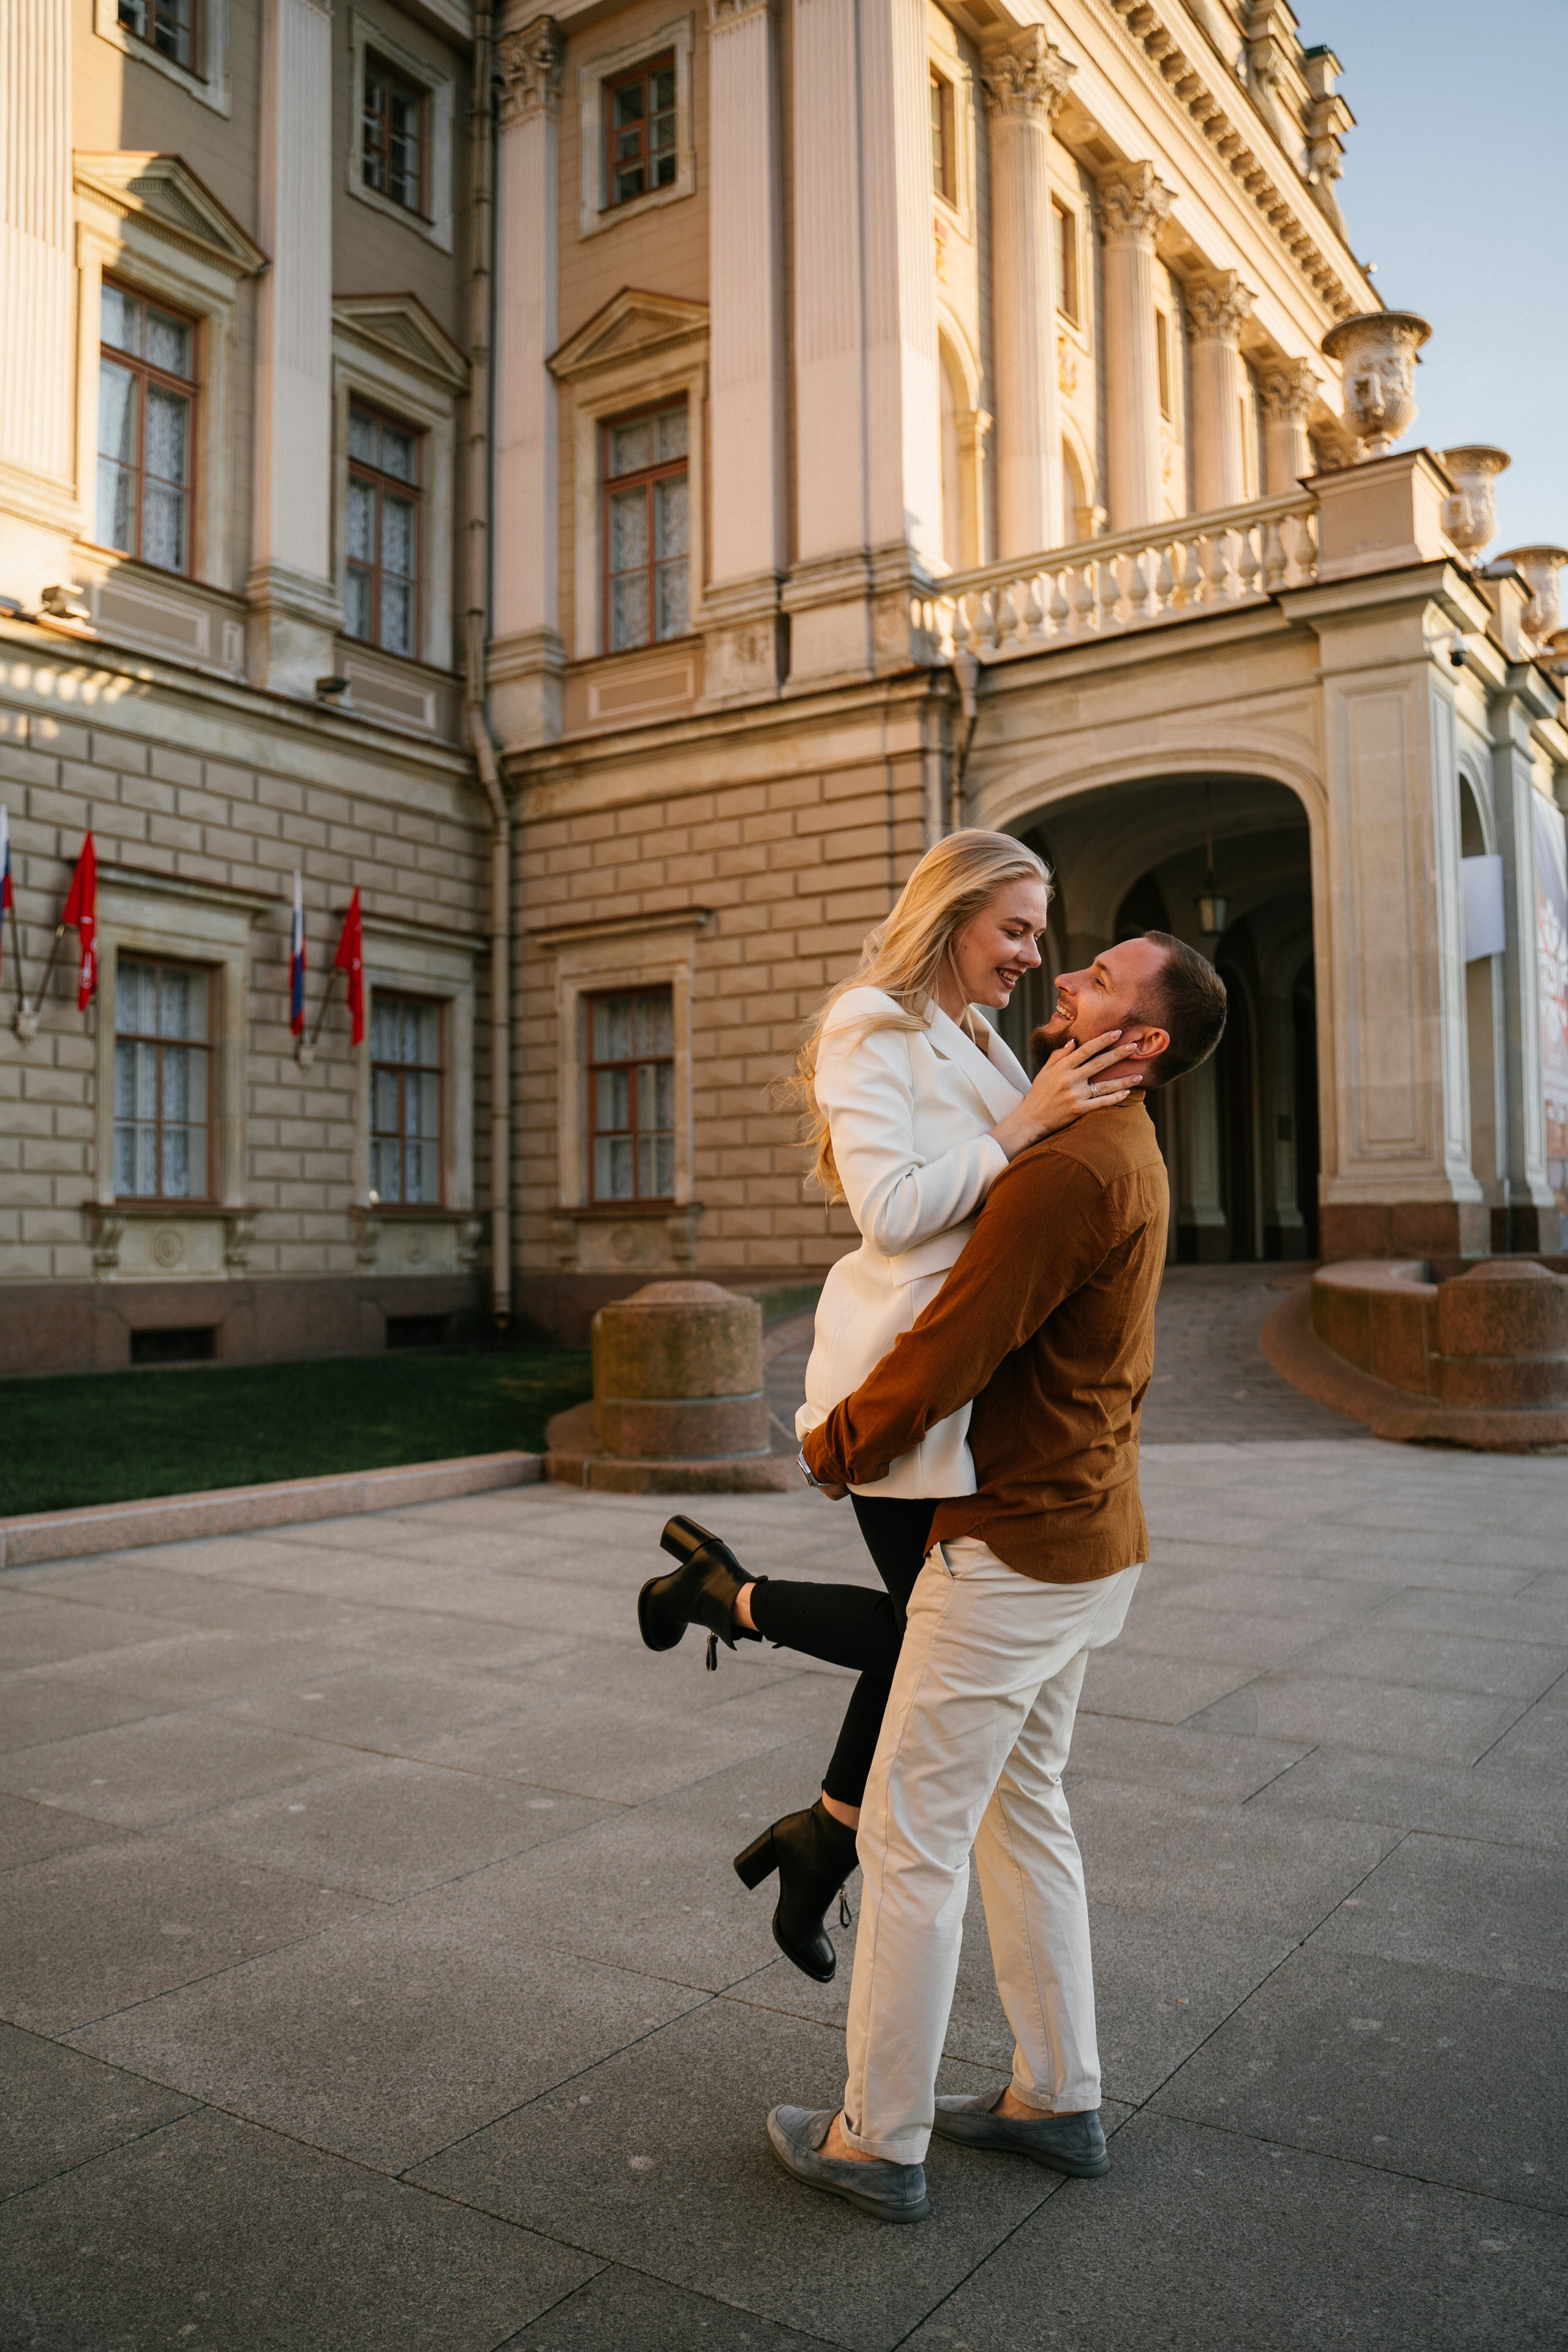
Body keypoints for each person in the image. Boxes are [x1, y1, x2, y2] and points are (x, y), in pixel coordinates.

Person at [760, 931, 1228, 2222]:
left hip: (1011, 1548)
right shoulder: (1111, 1144)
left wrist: (833, 1446)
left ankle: (875, 2140)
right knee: (1025, 1817)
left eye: (1096, 979)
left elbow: (954, 1346)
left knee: (911, 1842)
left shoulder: (1070, 1165)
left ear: (1135, 1043)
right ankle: (1057, 2095)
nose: (1064, 975)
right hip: (1085, 1542)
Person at [636, 832, 1137, 1981]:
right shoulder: (872, 1022)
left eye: (1039, 931)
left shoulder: (974, 1034)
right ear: (953, 915)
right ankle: (726, 1601)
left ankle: (819, 1830)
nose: (1032, 952)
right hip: (892, 1389)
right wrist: (1024, 1126)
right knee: (929, 1636)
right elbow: (893, 1211)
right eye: (1014, 927)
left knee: (931, 1639)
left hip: (965, 1398)